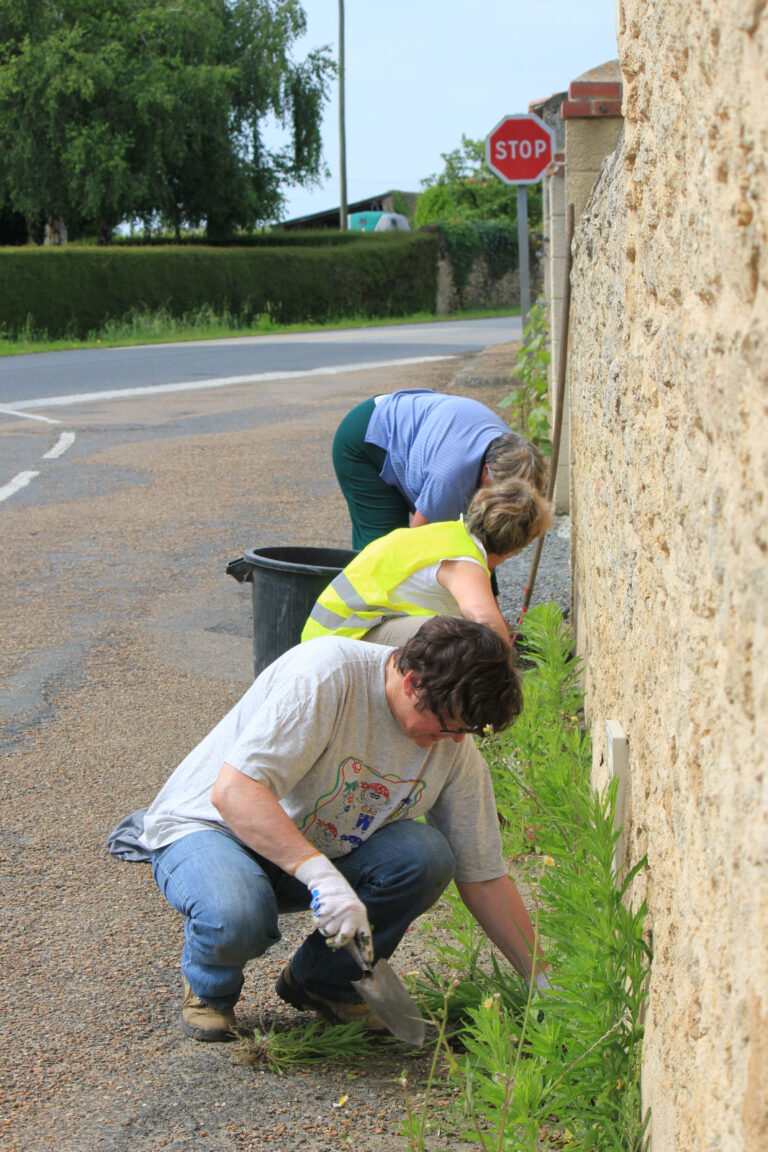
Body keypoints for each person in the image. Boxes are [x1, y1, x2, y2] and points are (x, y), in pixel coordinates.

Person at [114, 617, 547, 1042]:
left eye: (465, 731)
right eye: (448, 726)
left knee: (425, 856)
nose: (455, 740)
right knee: (238, 913)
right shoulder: (327, 676)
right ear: (413, 683)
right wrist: (321, 875)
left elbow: (483, 876)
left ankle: (325, 984)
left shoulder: (454, 745)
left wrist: (543, 982)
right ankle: (210, 990)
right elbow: (234, 793)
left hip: (313, 846)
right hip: (212, 830)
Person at [302, 477, 552, 649]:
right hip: (338, 642)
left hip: (330, 634)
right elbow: (486, 622)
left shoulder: (450, 534)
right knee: (464, 640)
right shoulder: (464, 561)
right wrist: (508, 681)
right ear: (516, 548)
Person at [332, 388, 548, 549]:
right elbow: (416, 541)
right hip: (366, 439)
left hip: (421, 434)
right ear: (486, 471)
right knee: (384, 548)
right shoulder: (449, 478)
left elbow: (481, 542)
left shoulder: (513, 449)